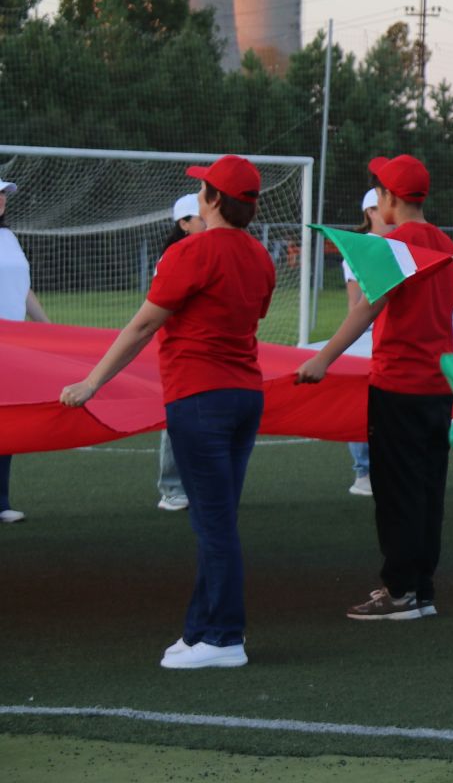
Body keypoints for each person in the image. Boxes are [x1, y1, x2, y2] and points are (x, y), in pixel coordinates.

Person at [59, 156, 276, 669]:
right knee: (215, 517)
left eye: (204, 187)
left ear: (215, 200)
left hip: (199, 398)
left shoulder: (192, 252)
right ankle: (201, 628)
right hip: (244, 395)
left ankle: (224, 638)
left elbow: (141, 327)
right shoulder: (261, 257)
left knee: (213, 523)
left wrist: (92, 382)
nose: (200, 193)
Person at [298, 155, 453, 622]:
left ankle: (400, 591)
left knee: (396, 493)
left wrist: (322, 359)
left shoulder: (396, 246)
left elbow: (368, 307)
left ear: (390, 198)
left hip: (399, 384)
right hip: (439, 384)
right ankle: (421, 589)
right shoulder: (446, 245)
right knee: (429, 491)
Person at [0, 176, 50, 525]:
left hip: (13, 346)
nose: (2, 199)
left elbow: (23, 288)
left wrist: (48, 329)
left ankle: (1, 501)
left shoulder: (9, 238)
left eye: (4, 194)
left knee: (7, 422)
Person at [154, 191, 206, 512]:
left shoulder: (210, 252)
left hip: (203, 350)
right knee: (178, 419)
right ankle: (172, 488)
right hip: (182, 352)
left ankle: (198, 485)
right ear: (184, 223)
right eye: (202, 218)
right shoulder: (174, 257)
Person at [338, 187, 385, 498]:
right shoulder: (360, 247)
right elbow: (356, 302)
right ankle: (363, 473)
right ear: (371, 211)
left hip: (393, 337)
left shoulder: (401, 242)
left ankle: (378, 470)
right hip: (370, 337)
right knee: (365, 406)